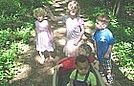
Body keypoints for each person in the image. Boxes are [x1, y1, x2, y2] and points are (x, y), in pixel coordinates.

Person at [92, 14, 115, 83]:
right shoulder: (97, 32)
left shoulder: (108, 33)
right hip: (99, 53)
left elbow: (111, 44)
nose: (95, 24)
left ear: (104, 25)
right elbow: (95, 40)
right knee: (100, 63)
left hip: (105, 54)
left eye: (97, 23)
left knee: (107, 66)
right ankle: (101, 74)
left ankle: (109, 75)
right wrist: (95, 48)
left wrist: (108, 53)